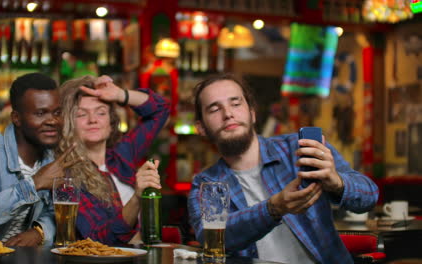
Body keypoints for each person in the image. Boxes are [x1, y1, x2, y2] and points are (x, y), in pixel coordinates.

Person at [187, 73, 379, 263]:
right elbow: (210, 238)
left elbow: (369, 196)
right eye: (214, 109)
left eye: (236, 104)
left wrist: (337, 182)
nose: (228, 114)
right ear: (201, 127)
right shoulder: (206, 182)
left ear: (252, 113)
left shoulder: (300, 147)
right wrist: (273, 208)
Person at [0, 73, 77, 247]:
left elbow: (56, 214)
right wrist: (33, 185)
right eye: (40, 113)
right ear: (16, 118)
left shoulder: (57, 158)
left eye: (57, 113)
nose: (53, 121)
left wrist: (39, 232)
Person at [56, 75, 170, 245]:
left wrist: (120, 95)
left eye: (101, 112)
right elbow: (98, 239)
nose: (93, 120)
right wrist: (136, 199)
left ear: (111, 121)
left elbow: (161, 108)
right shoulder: (65, 175)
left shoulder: (121, 154)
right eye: (81, 114)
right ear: (68, 123)